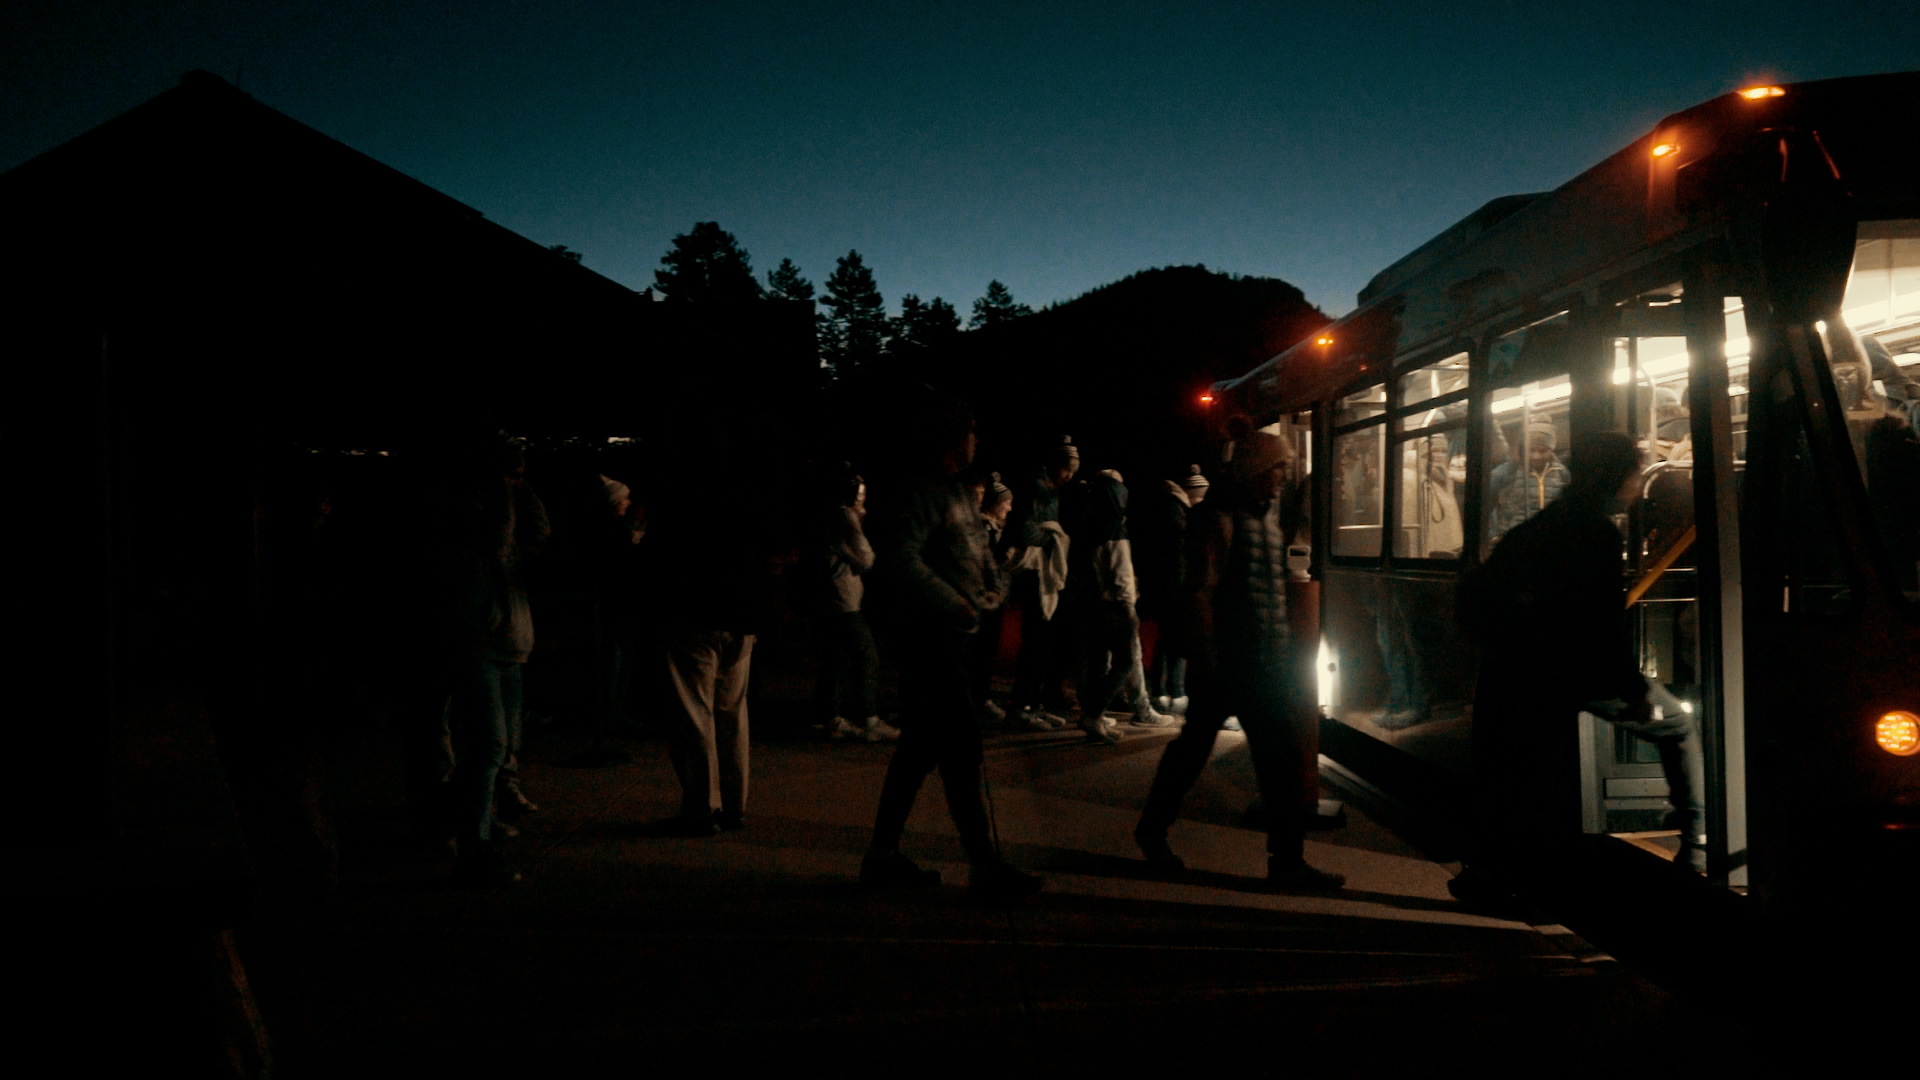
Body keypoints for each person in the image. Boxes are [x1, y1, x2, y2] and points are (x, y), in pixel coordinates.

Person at [1454, 431, 1708, 903]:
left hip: (1517, 669)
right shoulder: (1596, 532)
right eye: (1636, 473)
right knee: (1677, 726)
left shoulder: (1543, 524)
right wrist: (1633, 690)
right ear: (1619, 477)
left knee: (1516, 775)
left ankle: (1491, 870)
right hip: (1568, 673)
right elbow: (1602, 624)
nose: (1639, 484)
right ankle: (1697, 849)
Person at [1133, 431, 1346, 891]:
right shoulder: (1219, 520)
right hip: (1230, 664)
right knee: (1213, 756)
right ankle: (1283, 862)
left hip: (1257, 666)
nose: (1281, 479)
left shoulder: (1261, 520)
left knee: (1270, 760)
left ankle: (1282, 860)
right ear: (1254, 470)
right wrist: (1208, 656)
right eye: (1276, 469)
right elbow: (1200, 593)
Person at [860, 390, 1042, 901]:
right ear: (947, 437)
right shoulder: (919, 491)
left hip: (955, 636)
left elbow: (980, 554)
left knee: (920, 746)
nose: (976, 438)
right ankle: (984, 865)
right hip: (929, 637)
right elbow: (898, 558)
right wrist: (953, 603)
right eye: (969, 430)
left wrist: (992, 586)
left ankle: (882, 856)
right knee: (960, 744)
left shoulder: (959, 491)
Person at [648, 423, 771, 835]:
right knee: (733, 714)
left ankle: (702, 808)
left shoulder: (680, 494)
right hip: (741, 618)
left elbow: (660, 552)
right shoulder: (747, 491)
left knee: (693, 717)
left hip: (694, 614)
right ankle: (735, 805)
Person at [810, 464, 896, 743]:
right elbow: (867, 559)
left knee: (835, 657)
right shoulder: (846, 518)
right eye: (860, 497)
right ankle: (870, 720)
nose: (864, 502)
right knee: (866, 653)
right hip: (843, 599)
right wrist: (858, 520)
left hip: (828, 598)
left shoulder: (826, 515)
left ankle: (828, 717)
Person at [1005, 436, 1079, 729]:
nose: (1069, 477)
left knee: (1042, 640)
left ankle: (1032, 703)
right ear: (1054, 464)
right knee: (1035, 640)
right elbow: (1023, 530)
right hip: (1033, 573)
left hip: (1042, 573)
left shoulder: (1050, 489)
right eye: (1066, 470)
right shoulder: (1038, 488)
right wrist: (1053, 537)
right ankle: (1022, 706)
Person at [1487, 419, 1569, 544]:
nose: (1536, 456)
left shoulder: (1562, 474)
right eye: (1531, 450)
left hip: (1553, 542)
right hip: (1515, 542)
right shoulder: (1507, 472)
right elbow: (1483, 506)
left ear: (1551, 449)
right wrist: (1493, 535)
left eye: (1543, 451)